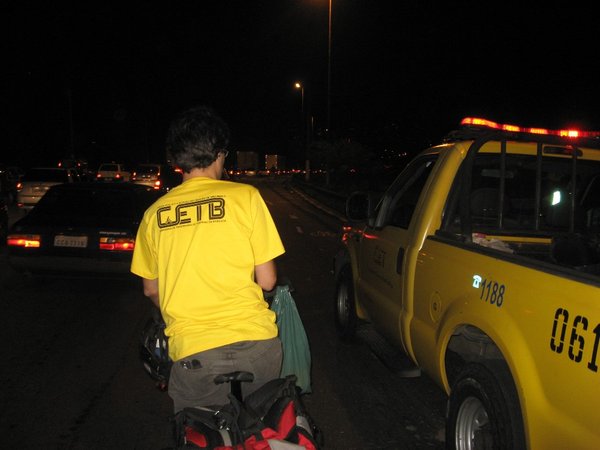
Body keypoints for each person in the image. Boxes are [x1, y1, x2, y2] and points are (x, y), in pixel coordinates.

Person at [131, 105, 285, 412]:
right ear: (219, 154)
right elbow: (268, 281)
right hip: (257, 345)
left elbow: (150, 289)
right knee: (263, 427)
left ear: (176, 160)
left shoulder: (153, 215)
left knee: (199, 428)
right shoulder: (246, 197)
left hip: (194, 352)